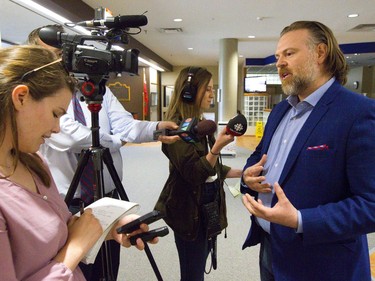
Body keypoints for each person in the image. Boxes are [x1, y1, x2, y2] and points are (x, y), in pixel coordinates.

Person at [27, 24, 178, 280]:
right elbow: (73, 136)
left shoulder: (97, 89)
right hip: (69, 206)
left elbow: (124, 125)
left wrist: (156, 129)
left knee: (107, 272)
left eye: (65, 54)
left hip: (107, 202)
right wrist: (116, 141)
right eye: (52, 56)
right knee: (76, 271)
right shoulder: (37, 99)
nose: (62, 62)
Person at [0, 45, 156, 281]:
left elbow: (61, 228)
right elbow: (71, 242)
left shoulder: (34, 162)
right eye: (55, 113)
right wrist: (76, 248)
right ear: (20, 97)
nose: (56, 129)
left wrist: (108, 228)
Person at [241, 20, 375, 281]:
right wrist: (248, 176)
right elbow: (258, 156)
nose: (279, 63)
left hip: (324, 264)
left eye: (289, 54)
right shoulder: (281, 110)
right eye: (278, 56)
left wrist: (301, 219)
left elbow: (370, 205)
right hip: (271, 249)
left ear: (320, 53)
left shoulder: (359, 113)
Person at [154, 66, 242, 281]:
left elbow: (211, 167)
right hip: (187, 209)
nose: (212, 94)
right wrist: (217, 147)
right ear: (190, 92)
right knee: (192, 273)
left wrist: (243, 173)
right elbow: (195, 173)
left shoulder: (199, 124)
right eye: (208, 89)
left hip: (206, 203)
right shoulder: (174, 128)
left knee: (200, 261)